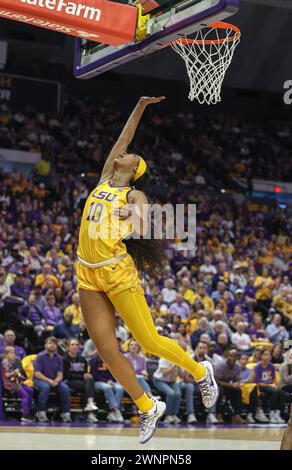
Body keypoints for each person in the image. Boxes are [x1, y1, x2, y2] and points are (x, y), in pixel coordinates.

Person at [76, 96, 218, 444]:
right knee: (107, 350)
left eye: (130, 156)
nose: (123, 153)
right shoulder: (105, 180)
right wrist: (139, 106)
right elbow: (123, 138)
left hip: (117, 273)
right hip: (87, 273)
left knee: (147, 341)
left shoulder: (132, 195)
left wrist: (134, 217)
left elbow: (145, 216)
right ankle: (147, 406)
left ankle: (201, 372)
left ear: (134, 170)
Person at [34, 336, 71, 422]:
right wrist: (49, 380)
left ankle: (65, 413)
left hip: (54, 380)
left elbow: (60, 374)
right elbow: (37, 374)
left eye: (54, 344)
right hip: (40, 380)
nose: (52, 345)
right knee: (46, 387)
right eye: (50, 343)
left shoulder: (59, 358)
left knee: (65, 388)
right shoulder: (40, 356)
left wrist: (56, 380)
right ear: (45, 345)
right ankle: (41, 411)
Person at [63, 338, 98, 423]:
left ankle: (90, 406)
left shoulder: (82, 359)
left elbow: (85, 372)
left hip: (80, 381)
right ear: (68, 347)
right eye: (72, 345)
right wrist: (83, 376)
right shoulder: (64, 359)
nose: (75, 347)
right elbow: (67, 375)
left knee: (90, 380)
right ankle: (90, 412)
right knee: (88, 387)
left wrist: (86, 375)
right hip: (69, 381)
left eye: (77, 345)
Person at [249, 349, 285, 424]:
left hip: (270, 386)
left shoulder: (271, 366)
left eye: (269, 355)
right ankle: (271, 413)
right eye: (265, 355)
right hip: (261, 387)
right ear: (261, 356)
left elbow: (273, 379)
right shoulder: (258, 367)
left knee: (281, 391)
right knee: (275, 391)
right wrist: (270, 385)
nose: (268, 357)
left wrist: (275, 385)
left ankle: (277, 413)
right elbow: (257, 382)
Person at [0, 346, 34, 422]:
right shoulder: (4, 362)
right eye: (11, 353)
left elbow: (20, 372)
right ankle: (25, 415)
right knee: (25, 395)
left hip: (18, 381)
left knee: (31, 391)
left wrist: (18, 375)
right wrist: (14, 372)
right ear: (6, 354)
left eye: (14, 353)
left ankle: (31, 411)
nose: (13, 354)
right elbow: (6, 375)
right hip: (9, 383)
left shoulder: (18, 360)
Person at [90, 353, 124, 423]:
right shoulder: (93, 360)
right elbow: (94, 374)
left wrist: (112, 380)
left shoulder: (111, 359)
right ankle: (116, 410)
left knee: (120, 388)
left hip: (110, 381)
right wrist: (106, 381)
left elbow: (114, 372)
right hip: (98, 382)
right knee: (108, 387)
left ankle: (112, 412)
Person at [215, 349, 247, 424]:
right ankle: (218, 415)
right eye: (230, 356)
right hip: (217, 385)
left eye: (234, 357)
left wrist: (237, 384)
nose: (232, 358)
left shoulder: (237, 367)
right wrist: (231, 385)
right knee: (220, 390)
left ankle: (237, 416)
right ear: (227, 357)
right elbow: (216, 381)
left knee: (238, 391)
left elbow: (237, 379)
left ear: (236, 358)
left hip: (228, 385)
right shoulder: (220, 365)